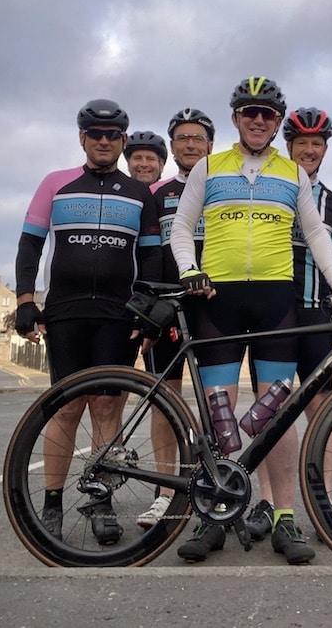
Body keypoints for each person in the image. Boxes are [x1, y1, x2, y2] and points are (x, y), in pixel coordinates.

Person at [169, 77, 332, 565]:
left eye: (267, 113)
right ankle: (214, 516)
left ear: (276, 121)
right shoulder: (209, 166)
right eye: (249, 111)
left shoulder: (294, 173)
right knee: (221, 411)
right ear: (235, 118)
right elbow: (183, 228)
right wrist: (190, 269)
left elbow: (315, 233)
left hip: (275, 301)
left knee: (275, 413)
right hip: (218, 301)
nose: (257, 119)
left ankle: (284, 518)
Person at [14, 98, 162, 545]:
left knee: (107, 406)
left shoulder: (139, 193)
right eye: (95, 134)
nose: (104, 140)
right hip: (66, 311)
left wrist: (146, 307)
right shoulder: (55, 184)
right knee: (66, 407)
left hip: (118, 315)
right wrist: (25, 300)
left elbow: (151, 255)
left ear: (121, 140)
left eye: (113, 134)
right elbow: (29, 245)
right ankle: (53, 504)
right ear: (82, 138)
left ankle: (100, 500)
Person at [243, 106, 332, 540]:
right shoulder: (269, 188)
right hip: (274, 315)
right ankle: (269, 503)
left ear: (325, 149)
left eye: (317, 143)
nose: (309, 149)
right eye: (302, 143)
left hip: (318, 317)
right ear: (288, 146)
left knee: (321, 413)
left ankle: (320, 505)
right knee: (269, 415)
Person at [134, 107, 215, 530]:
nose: (189, 144)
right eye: (182, 138)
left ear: (210, 146)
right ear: (173, 147)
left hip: (215, 307)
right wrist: (148, 309)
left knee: (215, 403)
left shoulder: (223, 187)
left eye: (197, 138)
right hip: (170, 308)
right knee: (166, 402)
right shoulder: (157, 193)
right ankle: (165, 492)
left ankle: (210, 486)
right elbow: (148, 254)